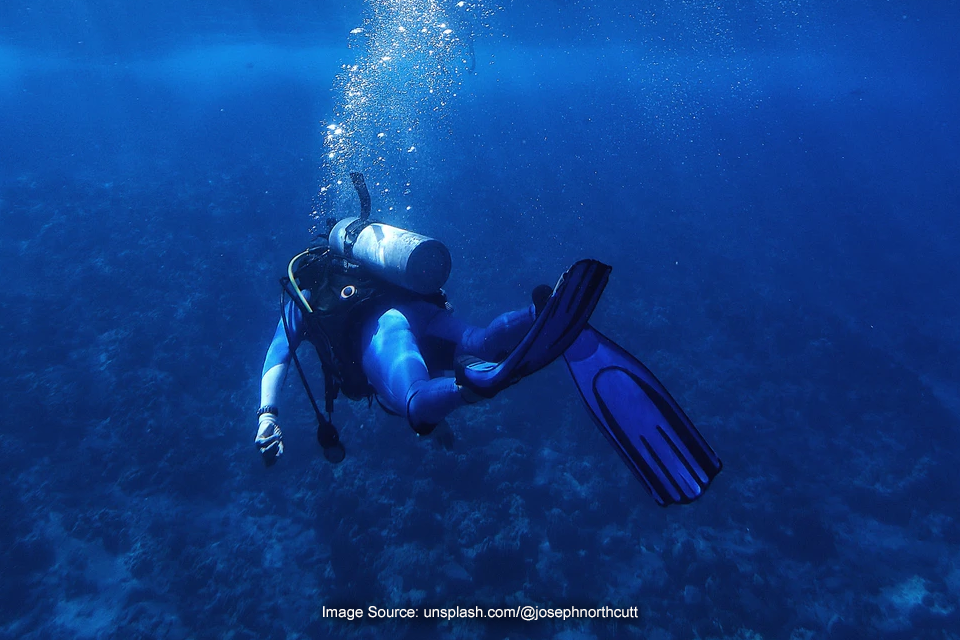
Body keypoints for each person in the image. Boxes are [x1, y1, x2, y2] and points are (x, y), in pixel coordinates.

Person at [254, 173, 723, 507]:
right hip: (416, 307)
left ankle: (472, 385)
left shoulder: (304, 289)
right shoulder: (366, 265)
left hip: (382, 329)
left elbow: (279, 355)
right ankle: (537, 313)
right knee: (479, 337)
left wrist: (268, 414)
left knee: (415, 402)